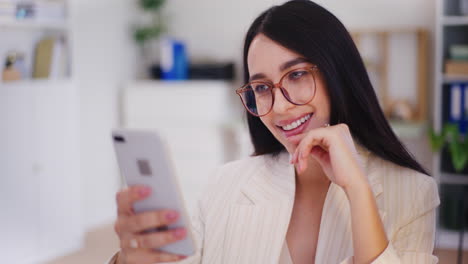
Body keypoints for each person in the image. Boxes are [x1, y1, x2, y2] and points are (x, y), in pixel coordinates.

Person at [109, 1, 440, 263]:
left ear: (336, 72)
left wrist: (357, 188)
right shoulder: (224, 184)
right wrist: (129, 259)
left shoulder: (413, 193)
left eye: (296, 75)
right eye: (262, 86)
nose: (279, 108)